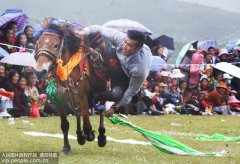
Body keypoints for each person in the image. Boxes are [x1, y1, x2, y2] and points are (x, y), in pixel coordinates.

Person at [75, 26, 152, 117]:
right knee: (104, 40)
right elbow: (99, 28)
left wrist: (115, 107)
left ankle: (91, 95)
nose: (124, 47)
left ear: (137, 49)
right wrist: (84, 32)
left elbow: (131, 91)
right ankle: (91, 59)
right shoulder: (121, 38)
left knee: (117, 94)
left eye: (129, 45)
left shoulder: (139, 70)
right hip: (115, 60)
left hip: (124, 76)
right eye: (125, 42)